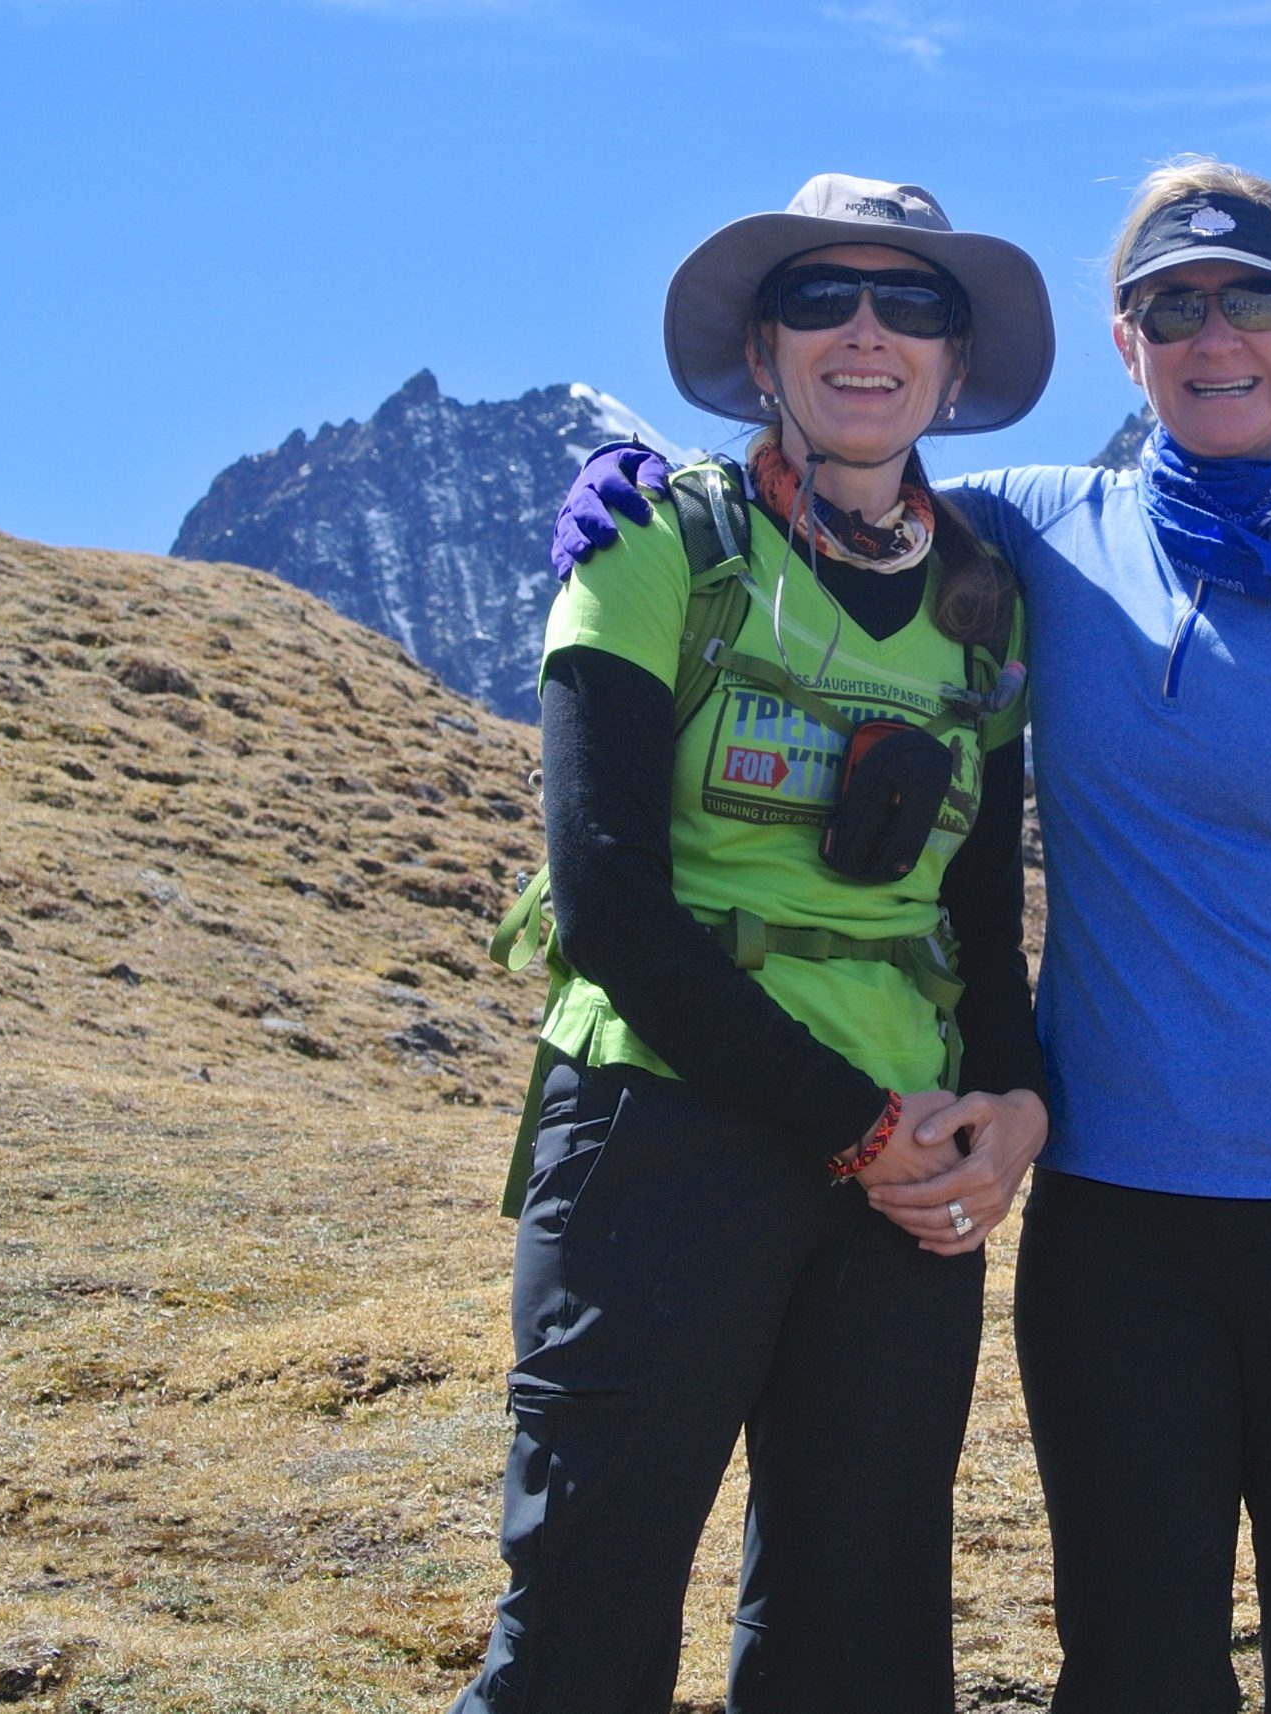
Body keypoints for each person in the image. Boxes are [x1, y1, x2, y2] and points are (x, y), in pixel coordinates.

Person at [556, 158, 1271, 1714]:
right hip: (1119, 1231)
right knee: (1134, 1674)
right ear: (1124, 340)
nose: (1214, 335)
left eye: (1254, 298)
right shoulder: (1036, 540)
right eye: (1174, 304)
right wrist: (649, 485)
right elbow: (848, 471)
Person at [451, 174, 1053, 1714]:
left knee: (861, 1639)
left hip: (907, 1174)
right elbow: (606, 906)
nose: (868, 333)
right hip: (665, 1133)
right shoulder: (653, 544)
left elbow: (979, 917)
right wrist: (857, 1126)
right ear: (761, 352)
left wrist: (1011, 1111)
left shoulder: (987, 604)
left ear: (956, 366)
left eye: (911, 304)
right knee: (584, 1628)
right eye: (823, 300)